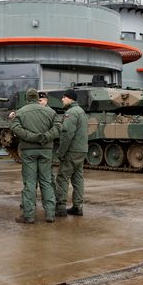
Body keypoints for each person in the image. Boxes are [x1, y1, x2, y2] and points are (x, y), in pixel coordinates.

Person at [11, 88, 58, 224]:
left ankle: (29, 216)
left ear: (27, 98)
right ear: (37, 98)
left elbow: (14, 127)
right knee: (46, 181)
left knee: (30, 183)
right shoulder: (51, 112)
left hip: (28, 150)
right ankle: (50, 214)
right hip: (46, 150)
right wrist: (45, 137)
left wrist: (31, 137)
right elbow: (58, 127)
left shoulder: (21, 112)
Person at [54, 89, 88, 217]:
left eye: (64, 97)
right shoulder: (81, 112)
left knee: (62, 177)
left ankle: (61, 207)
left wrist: (61, 152)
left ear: (70, 99)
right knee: (78, 178)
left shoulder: (71, 113)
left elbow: (67, 134)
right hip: (81, 150)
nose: (62, 100)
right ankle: (78, 206)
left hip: (72, 150)